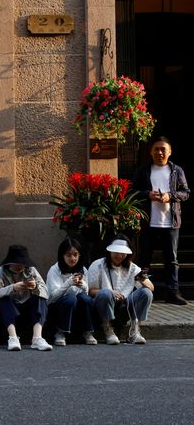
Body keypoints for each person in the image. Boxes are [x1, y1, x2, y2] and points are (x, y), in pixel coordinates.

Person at [132, 136, 190, 305]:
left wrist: (170, 196)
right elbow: (133, 191)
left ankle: (172, 292)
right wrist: (147, 195)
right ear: (151, 151)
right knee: (144, 258)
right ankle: (140, 290)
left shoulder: (176, 171)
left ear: (169, 152)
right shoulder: (143, 170)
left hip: (170, 222)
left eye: (163, 149)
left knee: (171, 259)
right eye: (156, 149)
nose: (159, 152)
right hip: (149, 221)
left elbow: (186, 192)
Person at [87, 236, 155, 345]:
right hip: (103, 304)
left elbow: (151, 288)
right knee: (105, 293)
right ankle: (108, 330)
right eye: (116, 252)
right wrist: (110, 292)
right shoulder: (98, 265)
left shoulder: (132, 268)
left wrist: (142, 279)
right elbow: (90, 291)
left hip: (124, 306)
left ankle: (135, 330)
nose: (119, 256)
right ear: (109, 251)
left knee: (146, 292)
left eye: (123, 253)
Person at [0, 244, 53, 351]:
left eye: (23, 263)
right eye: (17, 263)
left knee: (40, 297)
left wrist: (35, 287)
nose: (21, 266)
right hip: (9, 312)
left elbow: (46, 292)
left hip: (28, 310)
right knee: (3, 298)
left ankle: (37, 338)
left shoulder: (31, 270)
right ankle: (13, 337)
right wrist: (12, 288)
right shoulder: (0, 272)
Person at [46, 238, 97, 346]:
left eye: (75, 254)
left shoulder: (83, 269)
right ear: (62, 256)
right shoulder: (54, 270)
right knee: (71, 298)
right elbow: (51, 298)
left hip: (76, 307)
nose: (72, 258)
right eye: (68, 255)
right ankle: (60, 331)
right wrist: (68, 283)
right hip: (58, 306)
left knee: (85, 298)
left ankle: (87, 332)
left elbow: (86, 294)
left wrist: (83, 286)